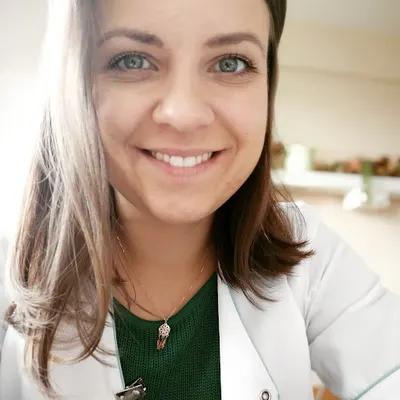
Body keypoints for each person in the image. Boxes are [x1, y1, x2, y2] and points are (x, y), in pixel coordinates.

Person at [0, 0, 399, 399]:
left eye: (230, 63)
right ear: (72, 83)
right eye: (133, 60)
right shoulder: (10, 281)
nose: (184, 114)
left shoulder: (309, 255)